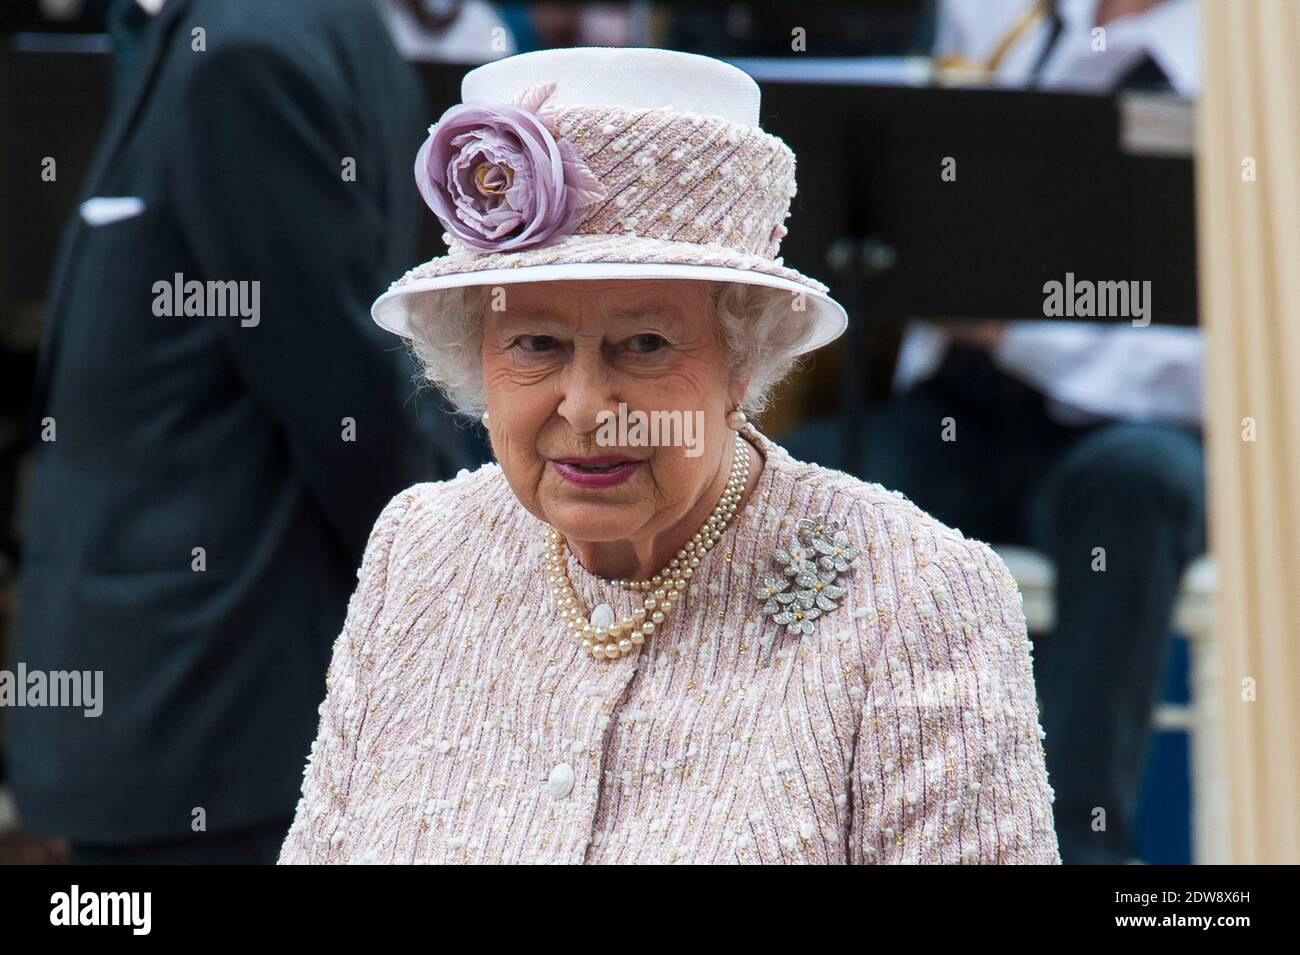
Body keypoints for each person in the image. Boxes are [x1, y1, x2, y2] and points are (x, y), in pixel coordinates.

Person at [277, 46, 1060, 864]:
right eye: (536, 342)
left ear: (743, 354)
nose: (584, 407)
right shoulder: (420, 552)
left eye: (644, 343)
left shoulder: (917, 598)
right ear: (478, 357)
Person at [10, 0, 465, 864]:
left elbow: (347, 395)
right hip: (203, 701)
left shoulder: (246, 51)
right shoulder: (291, 30)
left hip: (205, 708)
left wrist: (435, 607)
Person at [785, 0, 1205, 864]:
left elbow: (1224, 359)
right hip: (962, 415)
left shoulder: (1255, 69)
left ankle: (1075, 850)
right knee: (788, 484)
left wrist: (1017, 331)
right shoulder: (996, 20)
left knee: (1138, 483)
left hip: (1130, 433)